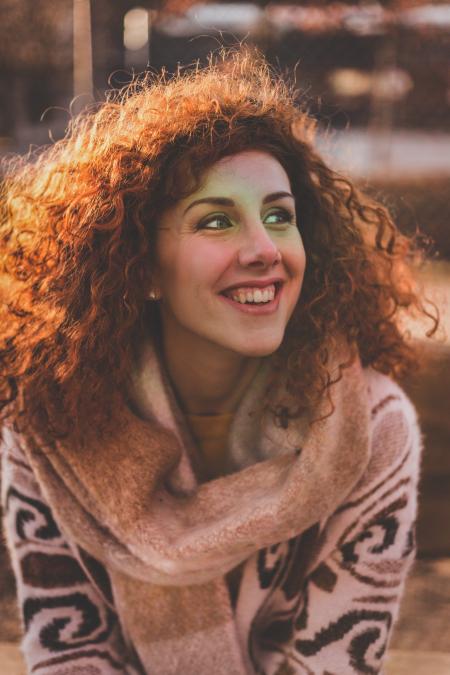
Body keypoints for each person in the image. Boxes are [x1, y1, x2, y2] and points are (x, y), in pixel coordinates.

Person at [0, 48, 437, 675]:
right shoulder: (48, 423)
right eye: (216, 221)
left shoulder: (367, 430)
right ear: (141, 263)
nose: (264, 249)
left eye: (279, 217)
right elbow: (70, 653)